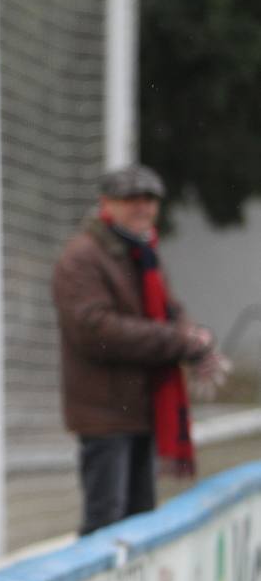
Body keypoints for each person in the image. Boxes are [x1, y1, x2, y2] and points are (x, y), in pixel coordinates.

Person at [51, 164, 223, 535]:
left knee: (142, 523)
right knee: (105, 526)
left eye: (149, 200)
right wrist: (179, 341)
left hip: (143, 410)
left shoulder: (144, 252)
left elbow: (170, 313)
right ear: (106, 204)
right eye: (131, 200)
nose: (142, 208)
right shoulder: (82, 256)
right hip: (104, 416)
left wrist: (197, 342)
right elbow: (96, 331)